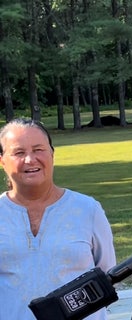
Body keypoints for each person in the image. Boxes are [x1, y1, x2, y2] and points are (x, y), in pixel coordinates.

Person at [0, 118, 116, 320]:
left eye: (38, 149)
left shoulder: (88, 210)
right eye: (19, 152)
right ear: (2, 160)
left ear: (52, 153)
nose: (30, 159)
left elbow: (108, 275)